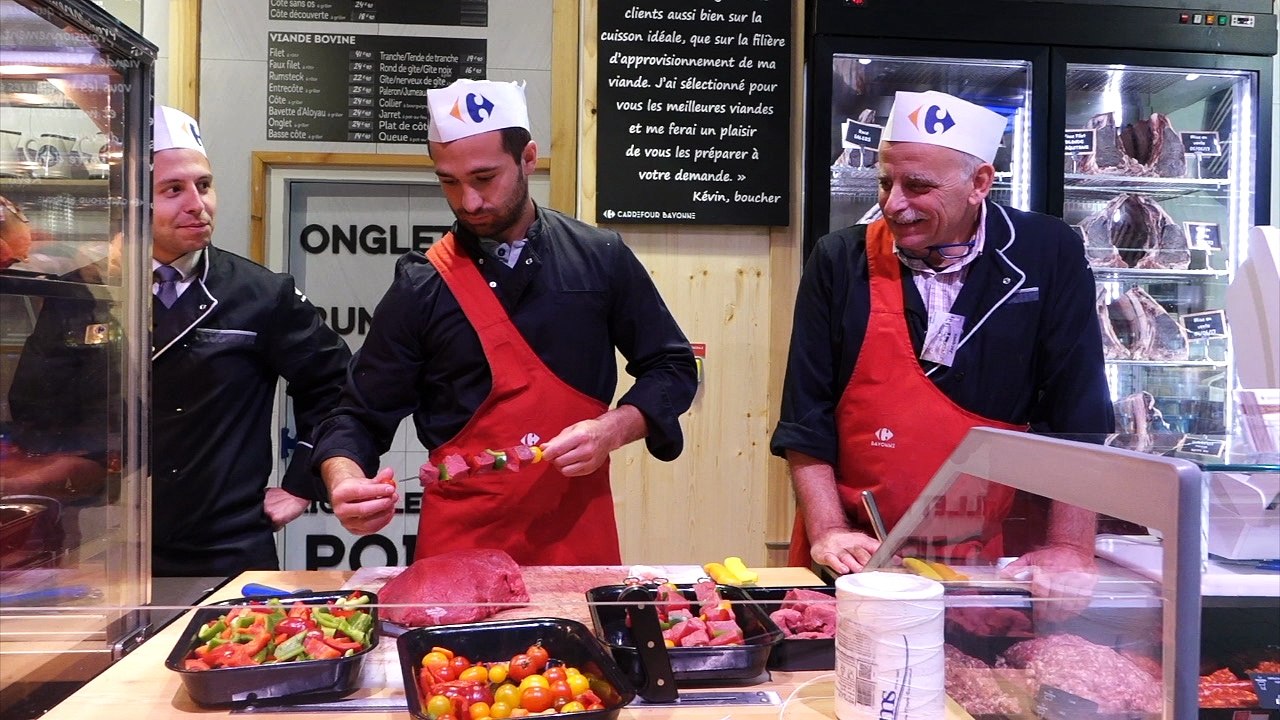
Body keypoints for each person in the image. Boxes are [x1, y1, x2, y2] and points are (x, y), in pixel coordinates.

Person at [312, 79, 698, 566]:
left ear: (528, 158)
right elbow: (357, 416)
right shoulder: (422, 286)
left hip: (577, 533)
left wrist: (613, 430)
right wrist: (344, 479)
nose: (469, 202)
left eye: (484, 177)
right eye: (449, 182)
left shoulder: (600, 258)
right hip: (462, 545)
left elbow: (672, 366)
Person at [772, 90, 1114, 584]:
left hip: (978, 558)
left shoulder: (1047, 252)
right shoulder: (839, 259)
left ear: (979, 183)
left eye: (917, 186)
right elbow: (805, 417)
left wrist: (1069, 547)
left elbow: (1077, 411)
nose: (893, 204)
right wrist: (827, 528)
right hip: (853, 552)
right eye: (885, 182)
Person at [148, 106, 351, 577]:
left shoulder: (260, 293)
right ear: (129, 199)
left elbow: (334, 382)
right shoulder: (91, 293)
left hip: (228, 546)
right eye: (172, 190)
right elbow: (39, 408)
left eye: (204, 185)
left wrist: (303, 480)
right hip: (106, 546)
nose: (198, 204)